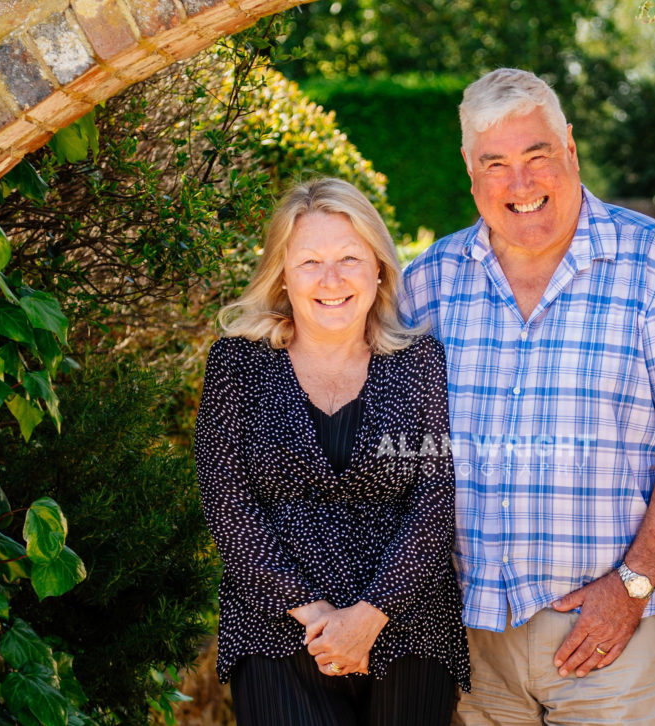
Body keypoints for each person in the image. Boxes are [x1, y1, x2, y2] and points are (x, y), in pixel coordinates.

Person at [399, 68, 655, 724]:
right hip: (469, 643)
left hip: (615, 637)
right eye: (495, 164)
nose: (520, 184)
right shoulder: (429, 281)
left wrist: (633, 584)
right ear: (469, 169)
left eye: (537, 156)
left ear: (571, 149)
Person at [194, 178, 470, 726]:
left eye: (349, 258)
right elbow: (228, 504)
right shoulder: (237, 365)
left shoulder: (420, 363)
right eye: (310, 262)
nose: (331, 280)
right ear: (282, 273)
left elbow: (435, 502)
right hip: (278, 630)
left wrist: (368, 617)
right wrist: (318, 617)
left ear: (379, 268)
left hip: (408, 628)